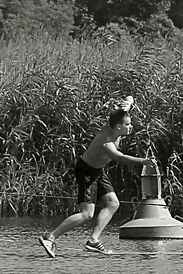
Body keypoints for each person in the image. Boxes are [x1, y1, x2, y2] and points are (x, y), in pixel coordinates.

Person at [38, 104, 156, 257]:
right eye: (127, 124)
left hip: (98, 171)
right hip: (86, 171)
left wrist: (128, 103)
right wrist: (143, 161)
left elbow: (127, 102)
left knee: (113, 203)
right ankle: (50, 238)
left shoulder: (113, 126)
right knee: (87, 214)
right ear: (118, 126)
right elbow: (120, 157)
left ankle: (93, 241)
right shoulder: (106, 142)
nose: (130, 127)